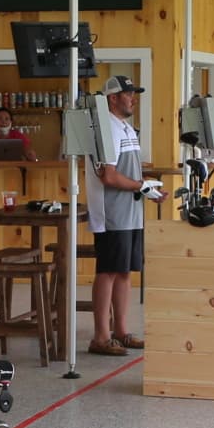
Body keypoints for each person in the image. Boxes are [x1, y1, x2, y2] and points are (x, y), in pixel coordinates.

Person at [84, 76, 161, 355]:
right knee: (108, 271)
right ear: (113, 98)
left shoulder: (126, 128)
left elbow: (127, 172)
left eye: (134, 93)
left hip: (131, 211)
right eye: (128, 94)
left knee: (125, 271)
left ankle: (121, 331)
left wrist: (147, 187)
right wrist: (141, 186)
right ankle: (101, 337)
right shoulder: (106, 130)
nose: (133, 98)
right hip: (112, 212)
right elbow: (109, 176)